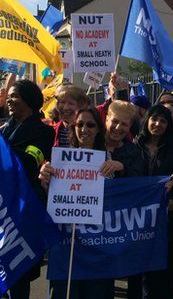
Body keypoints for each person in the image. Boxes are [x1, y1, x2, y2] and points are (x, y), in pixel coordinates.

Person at [40, 107, 116, 299]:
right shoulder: (60, 158)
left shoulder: (107, 160)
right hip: (67, 244)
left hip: (98, 245)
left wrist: (118, 168)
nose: (84, 129)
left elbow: (115, 199)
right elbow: (54, 199)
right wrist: (45, 181)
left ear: (99, 129)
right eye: (79, 124)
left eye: (90, 125)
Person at [1, 79, 55, 299]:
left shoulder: (43, 132)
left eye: (15, 96)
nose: (9, 100)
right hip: (1, 208)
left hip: (24, 209)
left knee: (20, 272)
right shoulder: (5, 127)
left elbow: (30, 161)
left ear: (30, 101)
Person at [133, 105, 173, 299]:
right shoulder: (134, 145)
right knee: (138, 275)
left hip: (164, 221)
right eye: (154, 119)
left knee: (163, 271)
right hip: (136, 221)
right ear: (146, 120)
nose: (157, 124)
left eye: (163, 121)